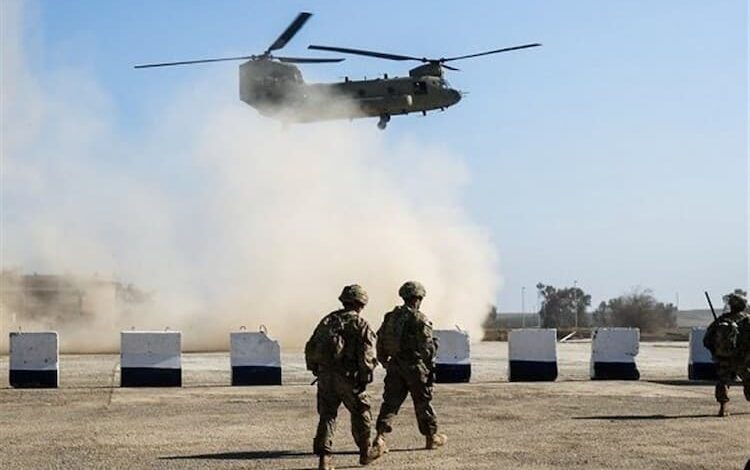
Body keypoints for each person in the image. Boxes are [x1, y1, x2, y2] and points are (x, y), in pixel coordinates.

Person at [304, 284, 381, 470]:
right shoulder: (360, 324)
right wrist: (365, 376)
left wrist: (316, 369)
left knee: (327, 416)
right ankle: (365, 452)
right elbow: (367, 356)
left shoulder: (328, 321)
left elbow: (311, 346)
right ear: (361, 303)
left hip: (325, 376)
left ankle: (324, 459)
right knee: (361, 412)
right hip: (349, 378)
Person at [371, 281, 447, 457]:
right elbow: (427, 349)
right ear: (418, 298)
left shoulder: (390, 317)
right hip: (414, 367)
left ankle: (380, 438)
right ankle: (431, 437)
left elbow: (380, 339)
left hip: (395, 366)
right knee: (422, 403)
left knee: (390, 403)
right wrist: (433, 350)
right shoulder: (420, 319)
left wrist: (384, 361)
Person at [703, 290, 750, 417]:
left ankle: (723, 407)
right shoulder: (747, 320)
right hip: (743, 359)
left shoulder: (722, 320)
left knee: (723, 381)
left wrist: (716, 352)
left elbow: (707, 340)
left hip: (725, 358)